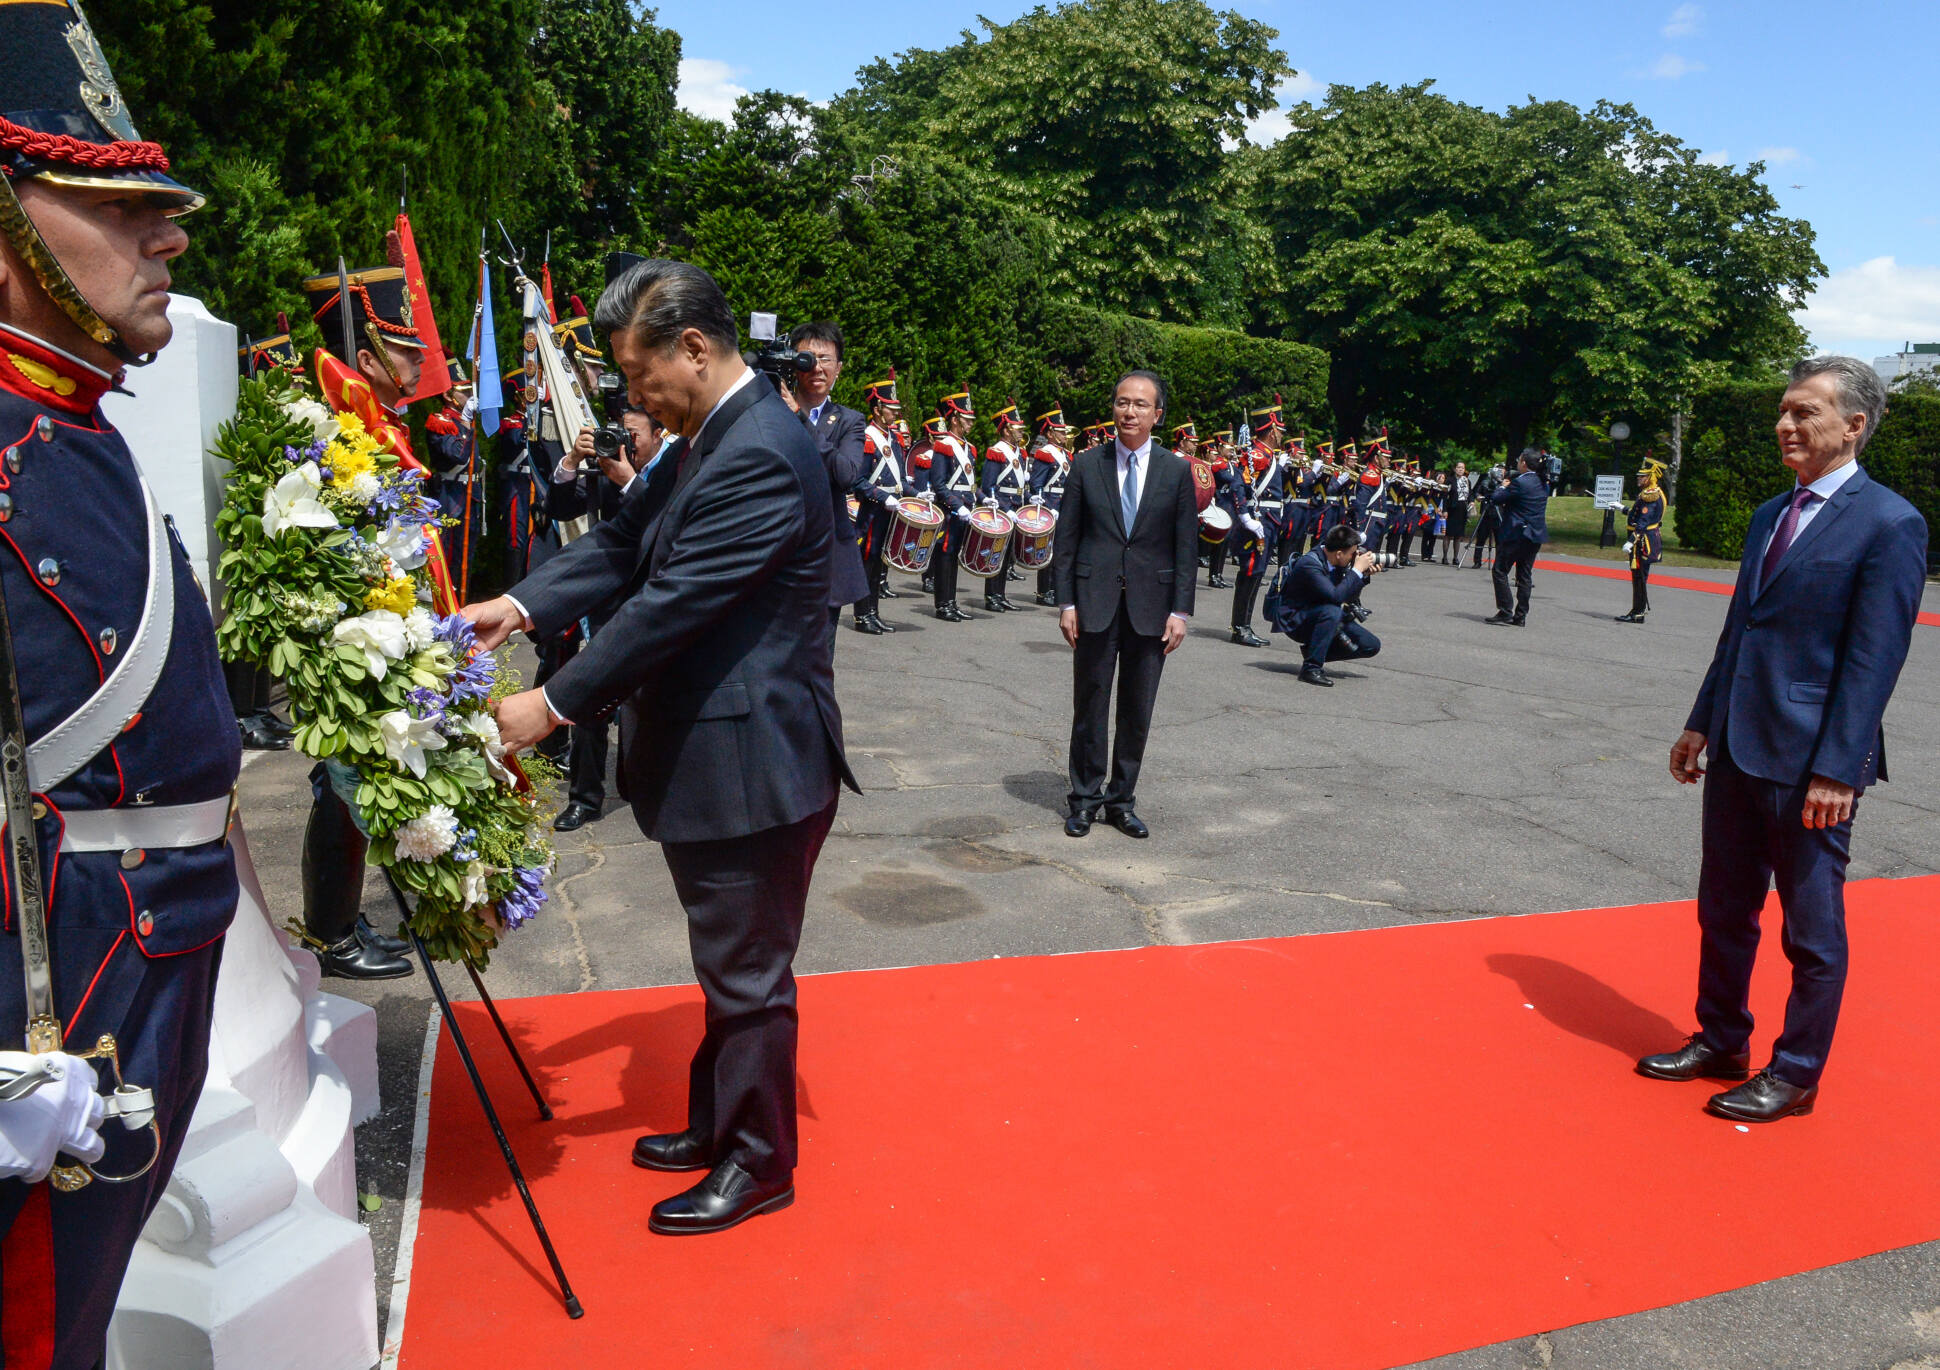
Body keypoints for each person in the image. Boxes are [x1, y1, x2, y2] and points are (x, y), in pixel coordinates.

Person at [466, 258, 859, 1233]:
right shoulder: (706, 435)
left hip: (757, 767)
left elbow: (668, 606)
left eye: (642, 378)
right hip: (719, 758)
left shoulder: (760, 449)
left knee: (747, 970)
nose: (634, 397)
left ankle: (760, 1159)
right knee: (726, 957)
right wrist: (515, 606)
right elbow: (615, 544)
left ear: (694, 346)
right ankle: (717, 1122)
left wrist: (548, 706)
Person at [0, 9, 246, 1360]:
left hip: (141, 973)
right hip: (53, 1007)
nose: (171, 236)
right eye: (123, 204)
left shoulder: (72, 421)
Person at [1643, 356, 1926, 1123]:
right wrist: (1702, 720)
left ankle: (1796, 1072)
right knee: (1724, 909)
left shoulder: (1891, 522)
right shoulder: (1772, 513)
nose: (1786, 425)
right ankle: (1722, 1038)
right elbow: (1741, 629)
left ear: (1855, 425)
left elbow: (1874, 660)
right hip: (1738, 743)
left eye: (1806, 413)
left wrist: (1841, 768)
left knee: (1811, 931)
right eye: (1784, 411)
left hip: (1812, 764)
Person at [296, 255, 435, 979]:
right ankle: (332, 932)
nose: (415, 359)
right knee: (343, 788)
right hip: (351, 637)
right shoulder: (329, 426)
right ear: (364, 355)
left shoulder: (371, 422)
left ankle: (341, 921)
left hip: (381, 629)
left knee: (352, 790)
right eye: (402, 346)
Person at [1053, 371, 1197, 839]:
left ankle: (1121, 801)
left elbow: (1185, 548)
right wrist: (1066, 601)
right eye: (1121, 402)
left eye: (1139, 405)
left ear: (1158, 414)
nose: (1129, 412)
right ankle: (1084, 800)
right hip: (1093, 603)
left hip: (1152, 608)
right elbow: (1067, 540)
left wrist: (1180, 612)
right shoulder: (1086, 465)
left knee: (1137, 710)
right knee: (1089, 706)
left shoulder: (1176, 472)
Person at [551, 405, 663, 832]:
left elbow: (662, 521)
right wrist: (571, 463)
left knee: (651, 701)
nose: (627, 444)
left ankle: (650, 786)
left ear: (657, 434)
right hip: (607, 600)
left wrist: (629, 481)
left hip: (654, 600)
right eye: (621, 433)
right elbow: (561, 509)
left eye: (634, 435)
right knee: (591, 698)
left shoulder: (671, 467)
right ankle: (585, 797)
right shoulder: (605, 465)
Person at [783, 322, 870, 637]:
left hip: (826, 557)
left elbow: (846, 474)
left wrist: (799, 418)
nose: (817, 367)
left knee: (817, 661)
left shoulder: (850, 421)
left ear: (839, 368)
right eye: (807, 358)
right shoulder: (768, 410)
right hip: (776, 549)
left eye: (826, 359)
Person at [1275, 525, 1385, 686]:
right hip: (1296, 620)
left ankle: (1313, 651)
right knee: (1332, 610)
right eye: (1352, 553)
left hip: (1322, 615)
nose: (1355, 556)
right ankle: (1311, 669)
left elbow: (1347, 595)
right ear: (1339, 554)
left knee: (1370, 645)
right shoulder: (1310, 564)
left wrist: (1363, 576)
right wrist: (1356, 570)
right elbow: (1336, 597)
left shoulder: (1338, 562)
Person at [848, 368, 907, 632]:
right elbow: (857, 481)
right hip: (872, 512)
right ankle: (862, 616)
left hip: (889, 512)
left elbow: (901, 479)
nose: (896, 413)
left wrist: (918, 496)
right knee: (867, 564)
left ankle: (873, 612)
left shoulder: (893, 438)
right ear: (877, 409)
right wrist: (883, 497)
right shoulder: (867, 437)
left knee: (880, 564)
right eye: (891, 408)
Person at [924, 388, 981, 621]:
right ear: (955, 419)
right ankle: (942, 604)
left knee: (954, 556)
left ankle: (951, 601)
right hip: (950, 511)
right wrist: (957, 505)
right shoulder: (944, 444)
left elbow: (970, 482)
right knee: (945, 556)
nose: (970, 424)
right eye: (966, 419)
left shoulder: (968, 447)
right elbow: (938, 483)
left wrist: (982, 498)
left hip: (964, 510)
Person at [1484, 449, 1549, 627]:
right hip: (1534, 534)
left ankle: (1505, 610)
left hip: (1516, 533)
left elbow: (1497, 498)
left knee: (1500, 570)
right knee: (1524, 575)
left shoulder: (1520, 483)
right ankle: (1520, 615)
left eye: (1520, 460)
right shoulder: (1543, 483)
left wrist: (1502, 485)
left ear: (1524, 464)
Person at [978, 400, 1031, 612]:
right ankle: (991, 596)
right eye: (1018, 429)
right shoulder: (997, 451)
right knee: (997, 553)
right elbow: (989, 486)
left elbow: (1019, 486)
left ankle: (1000, 594)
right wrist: (1004, 508)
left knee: (1007, 555)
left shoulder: (1018, 452)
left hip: (1016, 507)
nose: (1021, 433)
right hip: (1002, 509)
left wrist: (1029, 498)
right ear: (1007, 429)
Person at [1028, 407, 1074, 605]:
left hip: (1064, 505)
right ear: (1050, 433)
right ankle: (1043, 591)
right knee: (1048, 550)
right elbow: (1037, 484)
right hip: (1050, 505)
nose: (1065, 434)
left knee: (1061, 551)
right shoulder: (1045, 453)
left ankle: (1056, 588)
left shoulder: (1065, 454)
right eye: (1060, 431)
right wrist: (1046, 506)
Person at [1616, 457, 1667, 623]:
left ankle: (1638, 612)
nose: (1639, 479)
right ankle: (1636, 610)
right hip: (1642, 540)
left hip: (1643, 542)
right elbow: (1639, 513)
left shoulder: (1651, 496)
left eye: (1642, 477)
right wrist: (1623, 509)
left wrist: (1631, 541)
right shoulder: (1648, 494)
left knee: (1640, 578)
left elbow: (1643, 522)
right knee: (1638, 577)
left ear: (1650, 478)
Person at [1443, 462, 1472, 565]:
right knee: (1448, 534)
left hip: (1462, 509)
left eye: (1462, 468)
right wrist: (1444, 510)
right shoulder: (1449, 480)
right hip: (1452, 508)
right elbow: (1445, 496)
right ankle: (1445, 557)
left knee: (1458, 535)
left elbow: (1470, 494)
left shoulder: (1467, 481)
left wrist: (1472, 501)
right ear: (1455, 469)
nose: (1460, 469)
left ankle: (1455, 558)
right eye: (1459, 467)